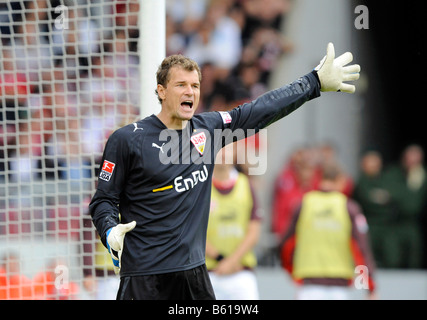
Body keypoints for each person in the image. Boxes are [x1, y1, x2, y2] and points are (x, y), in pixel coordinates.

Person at [89, 42, 361, 300]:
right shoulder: (127, 140)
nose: (190, 92)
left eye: (195, 85)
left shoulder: (208, 130)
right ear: (161, 91)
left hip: (192, 275)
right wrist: (110, 231)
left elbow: (260, 110)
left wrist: (313, 82)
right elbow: (103, 200)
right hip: (144, 277)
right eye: (181, 85)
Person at [279, 163, 377, 300]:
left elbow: (286, 245)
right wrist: (369, 286)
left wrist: (290, 271)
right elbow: (361, 249)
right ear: (340, 180)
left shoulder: (303, 204)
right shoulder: (349, 207)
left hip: (308, 284)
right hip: (339, 285)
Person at [205, 144, 262, 300]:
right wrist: (221, 260)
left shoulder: (246, 184)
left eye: (227, 148)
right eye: (218, 148)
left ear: (235, 152)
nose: (223, 154)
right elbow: (192, 230)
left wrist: (232, 261)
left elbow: (254, 231)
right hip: (209, 274)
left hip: (241, 274)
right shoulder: (201, 185)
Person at [383, 144, 427, 269]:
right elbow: (391, 194)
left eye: (416, 157)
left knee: (414, 258)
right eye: (409, 157)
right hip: (394, 223)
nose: (412, 161)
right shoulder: (393, 173)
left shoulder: (422, 177)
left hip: (414, 223)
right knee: (392, 259)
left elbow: (415, 204)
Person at [352, 150, 395, 268]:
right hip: (368, 225)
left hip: (387, 226)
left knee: (391, 258)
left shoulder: (388, 180)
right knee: (367, 258)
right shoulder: (361, 183)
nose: (372, 166)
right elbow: (366, 201)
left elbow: (394, 199)